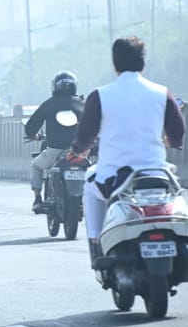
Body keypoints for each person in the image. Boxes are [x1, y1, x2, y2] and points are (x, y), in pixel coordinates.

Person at [70, 37, 185, 269]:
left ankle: (96, 242)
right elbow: (177, 135)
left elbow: (85, 137)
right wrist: (166, 142)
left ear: (115, 64)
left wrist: (78, 151)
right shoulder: (162, 93)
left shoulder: (100, 95)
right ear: (143, 63)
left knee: (89, 186)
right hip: (157, 175)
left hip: (114, 179)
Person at [24, 71, 85, 213]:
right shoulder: (82, 104)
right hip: (80, 153)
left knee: (35, 165)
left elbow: (31, 127)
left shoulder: (49, 104)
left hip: (54, 152)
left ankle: (38, 199)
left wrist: (34, 136)